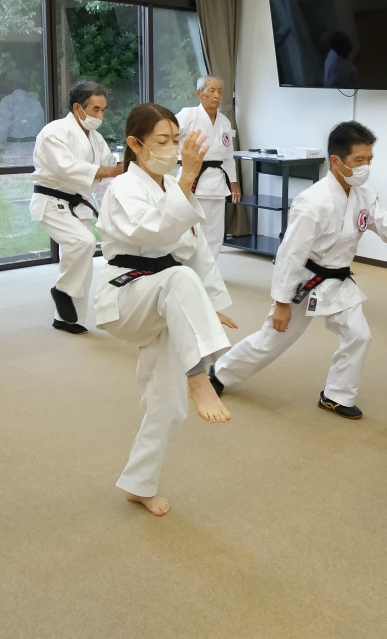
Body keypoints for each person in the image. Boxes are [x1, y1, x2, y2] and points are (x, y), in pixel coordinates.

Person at [209, 121, 387, 419]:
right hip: (303, 281)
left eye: (369, 160)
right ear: (336, 161)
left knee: (358, 335)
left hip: (338, 279)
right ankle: (219, 373)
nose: (365, 167)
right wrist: (282, 302)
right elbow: (290, 254)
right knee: (272, 340)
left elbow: (382, 221)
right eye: (359, 160)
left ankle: (336, 395)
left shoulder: (363, 193)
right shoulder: (312, 202)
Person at [95, 103, 235, 517]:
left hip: (166, 300)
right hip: (127, 295)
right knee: (179, 279)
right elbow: (154, 233)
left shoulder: (173, 189)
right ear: (135, 144)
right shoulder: (124, 188)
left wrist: (210, 305)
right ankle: (200, 376)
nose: (173, 149)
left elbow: (198, 253)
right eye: (162, 141)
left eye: (176, 140)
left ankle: (139, 485)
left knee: (168, 405)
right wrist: (188, 179)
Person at [31, 80, 124, 334]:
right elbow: (67, 167)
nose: (100, 116)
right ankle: (62, 290)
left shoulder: (96, 138)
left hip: (79, 203)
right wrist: (108, 171)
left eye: (103, 110)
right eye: (95, 109)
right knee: (82, 242)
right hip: (51, 201)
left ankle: (67, 319)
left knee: (81, 258)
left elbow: (108, 177)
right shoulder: (54, 132)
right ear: (77, 107)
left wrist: (114, 208)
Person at [175, 76, 240, 258]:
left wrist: (233, 182)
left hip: (218, 182)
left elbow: (228, 156)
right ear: (199, 94)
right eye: (211, 91)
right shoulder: (187, 115)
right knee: (192, 228)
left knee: (215, 231)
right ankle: (189, 265)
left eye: (220, 92)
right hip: (192, 177)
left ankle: (211, 266)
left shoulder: (225, 121)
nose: (217, 95)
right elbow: (169, 136)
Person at [0, 70, 46, 166]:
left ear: (11, 84)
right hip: (34, 152)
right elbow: (42, 129)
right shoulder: (36, 103)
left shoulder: (7, 102)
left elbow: (0, 130)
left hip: (13, 155)